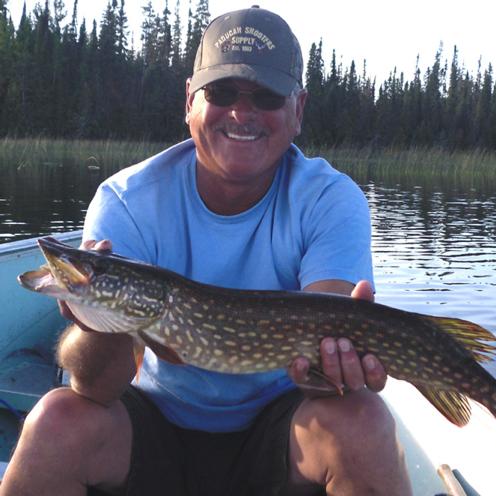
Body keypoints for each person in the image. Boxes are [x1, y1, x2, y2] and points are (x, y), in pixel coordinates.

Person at [1, 6, 412, 496]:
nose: (241, 113)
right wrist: (97, 319)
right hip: (152, 423)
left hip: (285, 430)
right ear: (190, 101)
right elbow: (95, 388)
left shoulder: (329, 200)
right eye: (221, 93)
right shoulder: (127, 201)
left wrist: (332, 371)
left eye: (266, 96)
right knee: (55, 421)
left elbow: (323, 358)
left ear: (298, 110)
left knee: (363, 421)